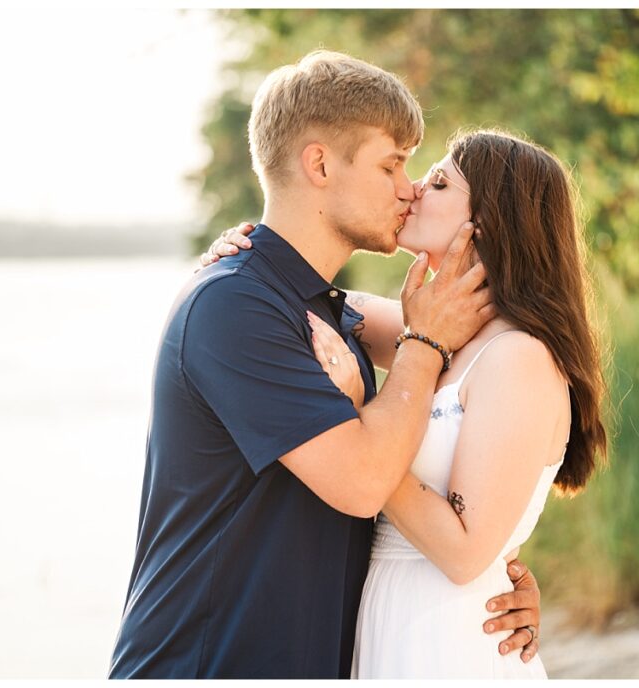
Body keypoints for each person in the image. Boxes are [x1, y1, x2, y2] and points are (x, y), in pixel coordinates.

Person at [108, 51, 544, 680]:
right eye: (391, 163)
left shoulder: (326, 313)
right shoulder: (234, 307)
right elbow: (366, 481)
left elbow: (498, 355)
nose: (409, 186)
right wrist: (423, 346)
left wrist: (494, 571)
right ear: (318, 163)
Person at [203, 128, 609, 678]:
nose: (413, 189)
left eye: (439, 182)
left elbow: (466, 554)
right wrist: (249, 255)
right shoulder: (443, 332)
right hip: (389, 620)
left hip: (451, 638)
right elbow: (314, 308)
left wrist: (360, 422)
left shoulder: (518, 358)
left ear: (485, 223)